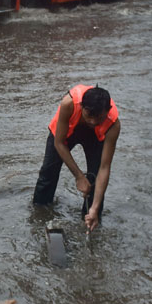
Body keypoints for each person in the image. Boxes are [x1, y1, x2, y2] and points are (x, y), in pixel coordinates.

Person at [33, 85, 120, 232]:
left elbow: (104, 168)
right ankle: (39, 215)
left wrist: (95, 207)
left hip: (96, 138)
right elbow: (59, 143)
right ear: (82, 107)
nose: (92, 122)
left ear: (107, 111)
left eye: (98, 118)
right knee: (48, 172)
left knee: (94, 178)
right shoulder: (69, 104)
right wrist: (79, 176)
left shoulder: (113, 124)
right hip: (66, 132)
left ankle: (91, 221)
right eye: (89, 116)